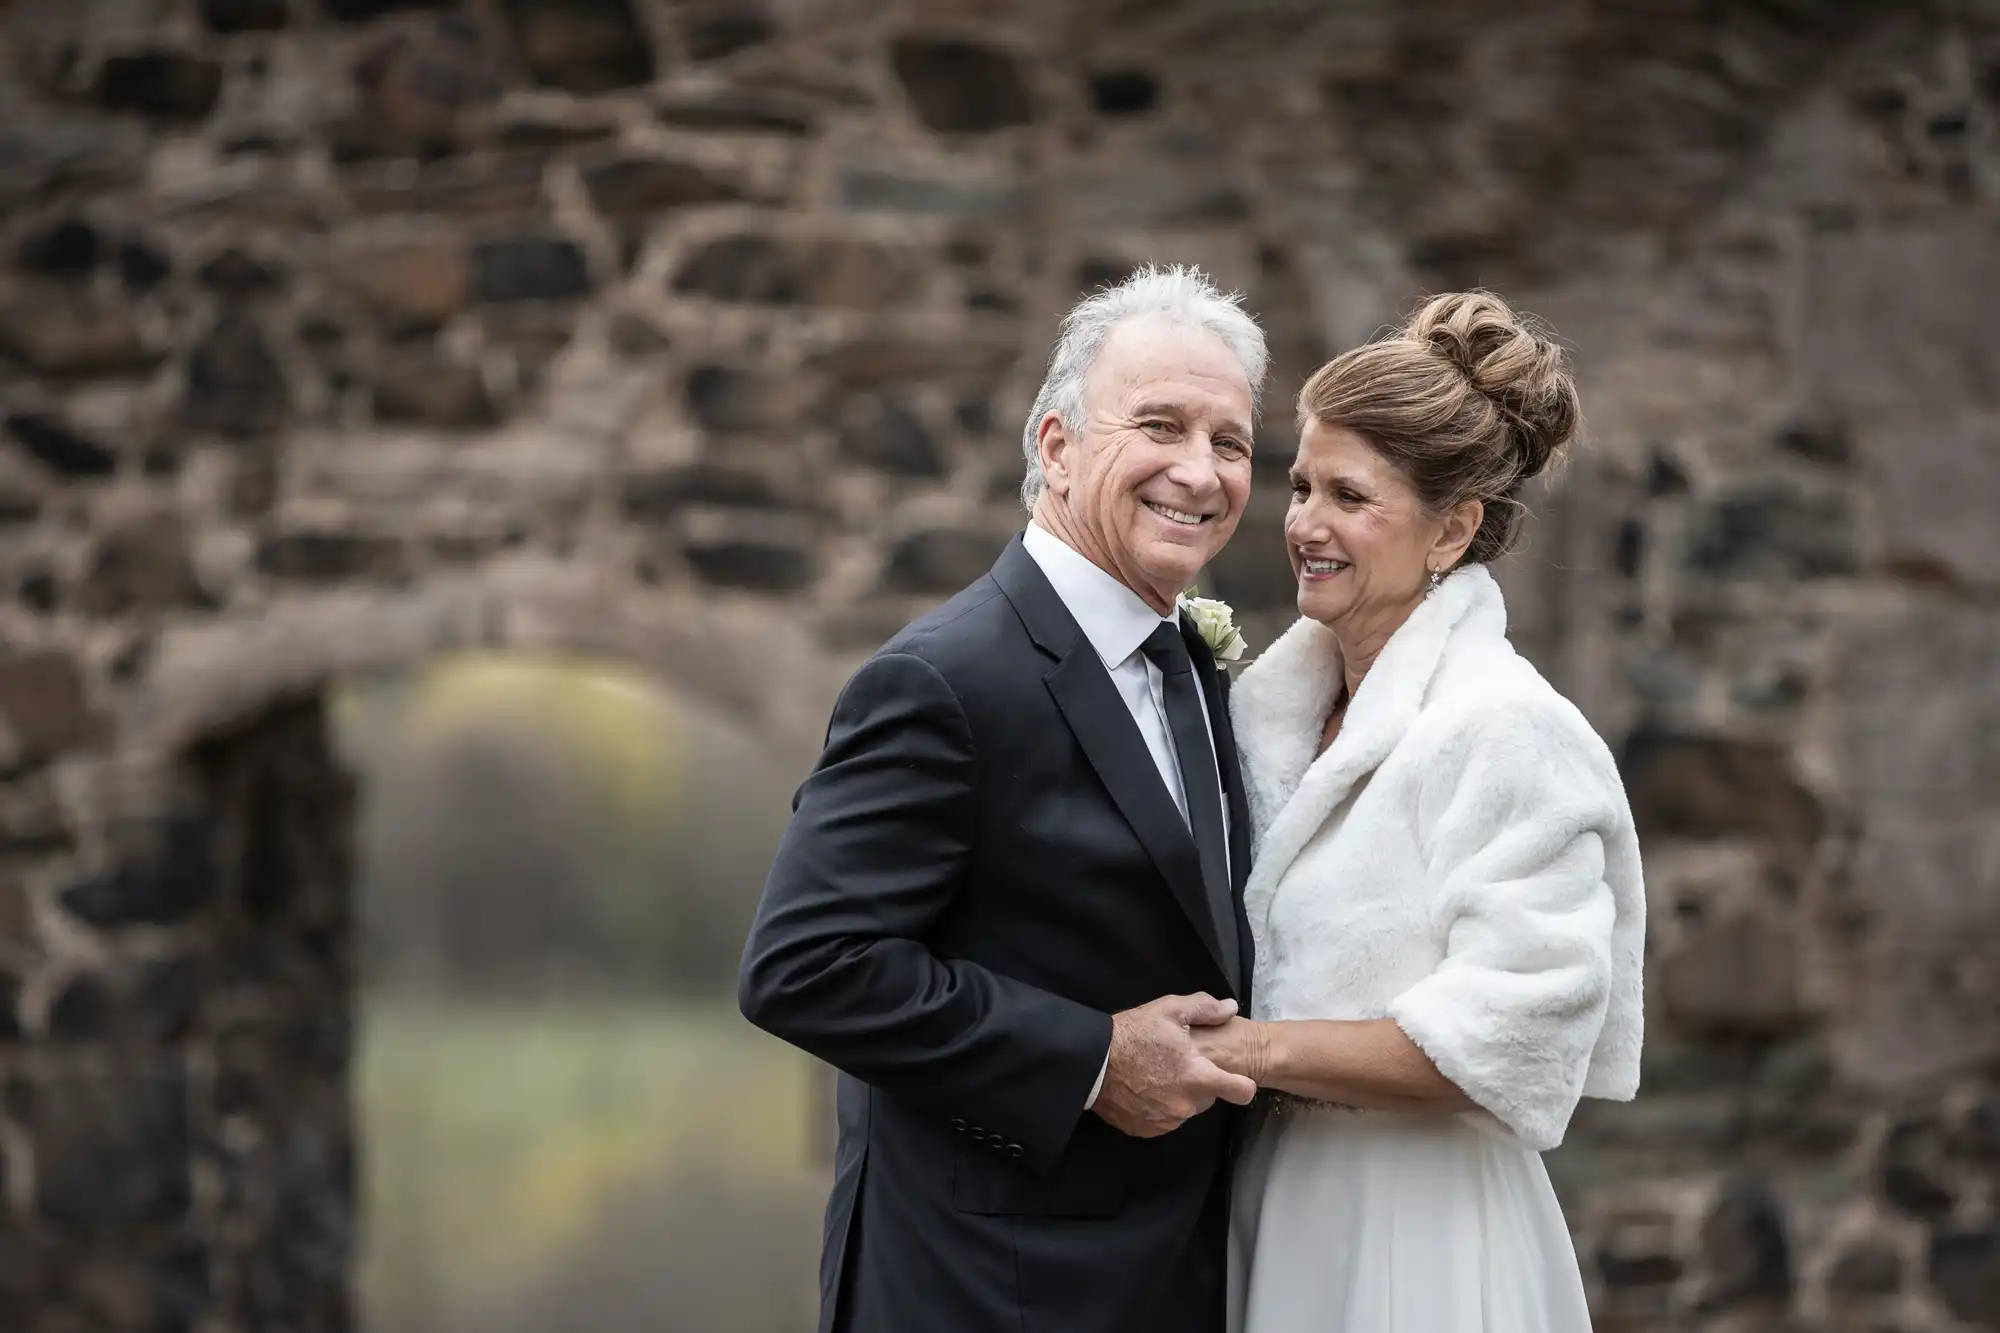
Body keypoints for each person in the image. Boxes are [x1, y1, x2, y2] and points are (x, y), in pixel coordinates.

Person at [738, 264, 1271, 1333]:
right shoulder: (945, 679)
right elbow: (805, 966)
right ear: (1056, 447)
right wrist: (1093, 1058)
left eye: (1230, 442)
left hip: (1164, 1277)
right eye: (1158, 425)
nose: (1198, 471)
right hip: (982, 1286)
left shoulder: (1190, 664)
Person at [1196, 291, 1646, 1333]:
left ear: (1452, 528)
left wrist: (1246, 1052)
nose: (1303, 523)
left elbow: (1514, 1035)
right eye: (1301, 484)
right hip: (1278, 1205)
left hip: (1421, 1233)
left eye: (1349, 497)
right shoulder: (1272, 713)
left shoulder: (1506, 730)